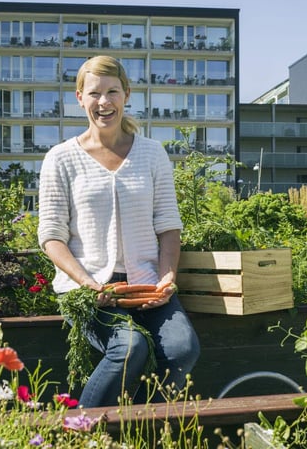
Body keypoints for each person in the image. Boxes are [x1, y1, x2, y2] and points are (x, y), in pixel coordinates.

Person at [37, 55, 200, 408]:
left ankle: (137, 428)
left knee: (182, 349)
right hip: (87, 291)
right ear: (79, 97)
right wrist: (87, 283)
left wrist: (166, 278)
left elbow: (168, 226)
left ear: (126, 94)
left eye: (112, 92)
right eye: (94, 93)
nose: (104, 102)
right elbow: (51, 236)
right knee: (129, 346)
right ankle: (79, 430)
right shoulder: (61, 158)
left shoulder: (152, 154)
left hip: (147, 286)